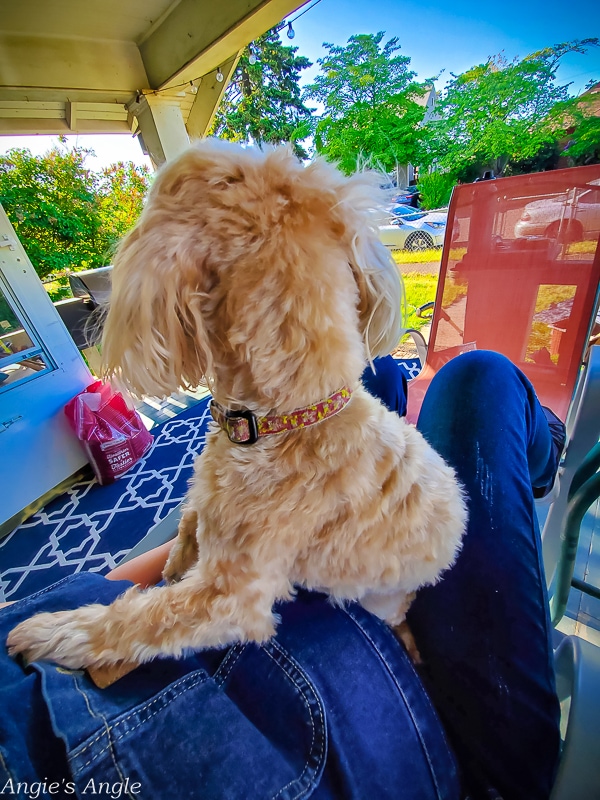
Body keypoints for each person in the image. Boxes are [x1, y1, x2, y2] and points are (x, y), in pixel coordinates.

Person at [0, 351, 562, 799]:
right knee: (478, 381)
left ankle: (414, 430)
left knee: (367, 374)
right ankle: (544, 447)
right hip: (418, 726)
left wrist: (199, 534)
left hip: (280, 593)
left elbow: (99, 589)